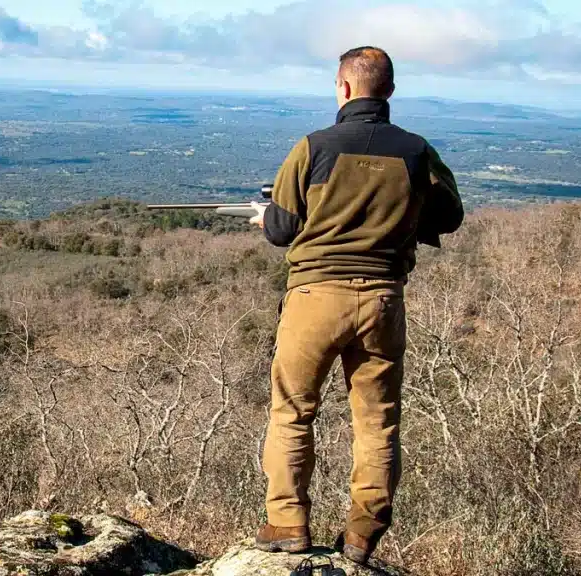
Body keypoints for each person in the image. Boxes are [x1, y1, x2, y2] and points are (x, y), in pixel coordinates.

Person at [249, 46, 464, 565]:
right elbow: (449, 215)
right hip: (384, 302)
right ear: (389, 90)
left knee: (294, 412)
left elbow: (280, 230)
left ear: (342, 88)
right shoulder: (417, 153)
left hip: (314, 298)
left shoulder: (314, 147)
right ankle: (362, 537)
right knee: (377, 422)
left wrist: (264, 218)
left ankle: (286, 525)